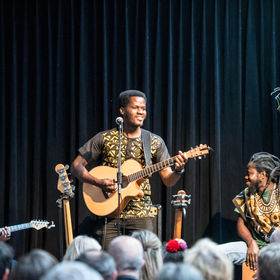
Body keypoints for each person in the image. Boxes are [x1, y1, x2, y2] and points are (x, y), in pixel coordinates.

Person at [71, 90, 188, 249]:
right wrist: (99, 182)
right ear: (122, 110)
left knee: (144, 264)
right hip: (108, 214)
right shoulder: (104, 138)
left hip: (142, 215)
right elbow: (76, 166)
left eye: (144, 108)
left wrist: (179, 169)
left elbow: (168, 180)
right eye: (136, 107)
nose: (141, 112)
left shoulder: (154, 142)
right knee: (109, 266)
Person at [218, 152, 280, 270]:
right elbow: (241, 224)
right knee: (216, 253)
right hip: (254, 248)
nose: (246, 177)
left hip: (277, 251)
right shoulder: (247, 194)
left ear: (262, 175)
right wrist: (251, 242)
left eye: (249, 174)